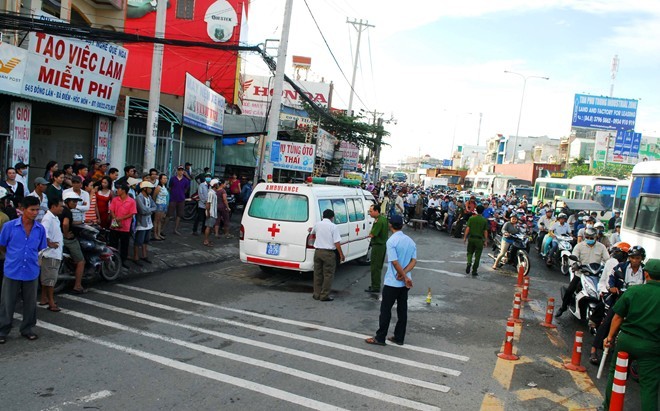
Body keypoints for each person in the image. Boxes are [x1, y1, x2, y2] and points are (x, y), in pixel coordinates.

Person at [602, 258, 660, 411]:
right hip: (651, 346)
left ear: (646, 274)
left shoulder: (634, 291)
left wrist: (609, 337)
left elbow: (617, 316)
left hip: (626, 340)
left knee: (616, 376)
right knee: (649, 386)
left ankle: (607, 407)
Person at [0, 196, 48, 344]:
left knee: (30, 302)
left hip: (31, 270)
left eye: (37, 210)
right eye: (32, 210)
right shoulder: (9, 226)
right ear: (23, 209)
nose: (35, 213)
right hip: (12, 269)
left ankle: (27, 328)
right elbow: (2, 245)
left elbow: (41, 247)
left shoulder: (40, 229)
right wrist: (13, 257)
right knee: (7, 302)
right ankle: (3, 330)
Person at [365, 214, 416, 346]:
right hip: (405, 283)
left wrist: (402, 275)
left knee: (385, 310)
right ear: (402, 225)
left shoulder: (391, 241)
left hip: (393, 282)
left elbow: (394, 262)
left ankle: (380, 337)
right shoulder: (410, 241)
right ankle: (399, 337)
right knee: (402, 310)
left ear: (390, 225)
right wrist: (405, 275)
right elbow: (413, 261)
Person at [555, 227, 610, 317]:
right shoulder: (579, 246)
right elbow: (573, 257)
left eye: (591, 238)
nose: (589, 240)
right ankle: (563, 307)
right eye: (587, 237)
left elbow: (607, 259)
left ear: (596, 237)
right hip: (581, 273)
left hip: (595, 274)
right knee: (570, 290)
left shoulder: (601, 247)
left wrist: (609, 266)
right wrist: (574, 264)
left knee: (605, 292)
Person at [311, 209, 345, 302]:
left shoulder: (317, 224)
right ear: (332, 217)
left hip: (318, 252)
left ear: (323, 216)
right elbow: (337, 242)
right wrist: (341, 254)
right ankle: (324, 295)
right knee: (328, 275)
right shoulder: (333, 226)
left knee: (317, 274)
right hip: (328, 254)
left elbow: (312, 232)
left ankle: (316, 294)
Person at [38, 199, 64, 312]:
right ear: (53, 206)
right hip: (50, 254)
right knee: (50, 280)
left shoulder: (55, 218)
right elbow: (43, 231)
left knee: (46, 279)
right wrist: (49, 243)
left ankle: (44, 298)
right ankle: (51, 302)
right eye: (60, 206)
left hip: (54, 253)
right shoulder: (48, 218)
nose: (62, 208)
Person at [60, 191, 87, 293]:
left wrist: (83, 222)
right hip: (68, 240)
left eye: (76, 202)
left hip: (59, 237)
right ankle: (78, 285)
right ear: (67, 201)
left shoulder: (61, 210)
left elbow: (69, 222)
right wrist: (66, 234)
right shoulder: (67, 212)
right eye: (73, 201)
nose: (75, 204)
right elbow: (66, 224)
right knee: (81, 261)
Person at [109, 183, 137, 269]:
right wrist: (116, 219)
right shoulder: (115, 199)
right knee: (113, 243)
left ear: (124, 191)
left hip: (126, 226)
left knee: (124, 245)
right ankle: (113, 260)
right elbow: (111, 210)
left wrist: (120, 219)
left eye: (119, 189)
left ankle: (123, 261)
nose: (117, 190)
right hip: (114, 224)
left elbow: (132, 213)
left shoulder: (131, 201)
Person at [365, 204, 389, 293]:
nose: (370, 213)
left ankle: (375, 286)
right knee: (377, 266)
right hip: (382, 245)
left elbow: (372, 234)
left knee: (375, 267)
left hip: (378, 246)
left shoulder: (378, 221)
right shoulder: (383, 218)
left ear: (376, 211)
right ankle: (375, 285)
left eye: (371, 211)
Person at [134, 181, 156, 265]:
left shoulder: (149, 197)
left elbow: (154, 206)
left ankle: (144, 255)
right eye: (150, 188)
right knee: (138, 241)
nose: (151, 190)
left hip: (148, 222)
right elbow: (142, 210)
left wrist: (148, 211)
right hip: (141, 223)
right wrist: (150, 211)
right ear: (145, 188)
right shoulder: (139, 197)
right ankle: (136, 257)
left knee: (146, 240)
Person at [464, 205, 488, 276]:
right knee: (477, 256)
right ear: (483, 211)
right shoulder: (484, 220)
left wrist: (465, 237)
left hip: (471, 238)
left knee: (470, 252)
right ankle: (474, 271)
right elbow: (485, 231)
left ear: (476, 210)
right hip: (479, 240)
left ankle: (469, 263)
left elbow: (467, 229)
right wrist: (486, 241)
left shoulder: (471, 218)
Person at [167, 166, 190, 235]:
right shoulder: (173, 179)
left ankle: (175, 229)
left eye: (182, 170)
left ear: (183, 171)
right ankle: (162, 228)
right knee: (169, 214)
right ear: (177, 171)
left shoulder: (186, 180)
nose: (180, 172)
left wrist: (181, 194)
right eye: (179, 170)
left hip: (181, 199)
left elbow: (186, 189)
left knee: (179, 215)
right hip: (173, 198)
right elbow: (170, 187)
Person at [153, 174, 169, 241]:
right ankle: (155, 234)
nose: (165, 179)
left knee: (160, 220)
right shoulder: (158, 187)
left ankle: (159, 233)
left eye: (166, 178)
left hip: (164, 204)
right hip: (159, 204)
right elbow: (154, 196)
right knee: (156, 220)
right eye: (163, 178)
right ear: (160, 179)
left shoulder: (164, 186)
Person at [203, 179, 219, 247]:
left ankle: (207, 240)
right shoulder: (211, 193)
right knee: (208, 227)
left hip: (213, 213)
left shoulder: (213, 192)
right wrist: (208, 213)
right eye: (217, 184)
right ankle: (206, 241)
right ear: (215, 185)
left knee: (210, 227)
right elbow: (208, 203)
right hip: (211, 213)